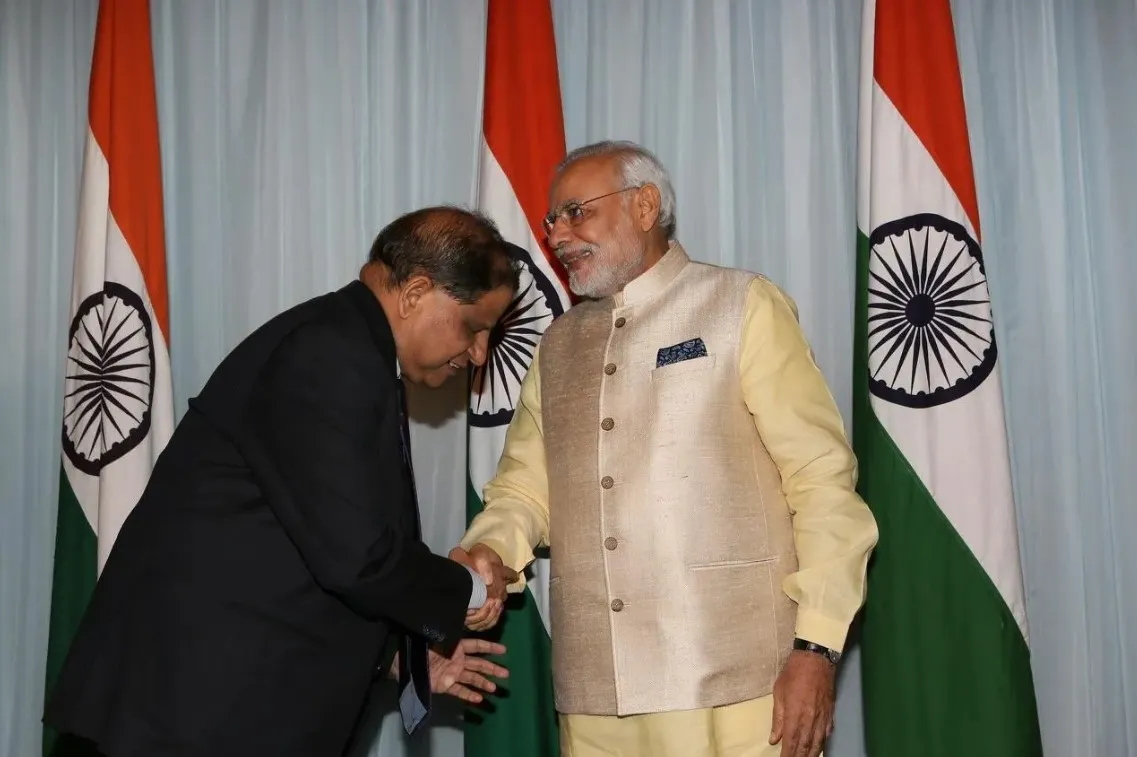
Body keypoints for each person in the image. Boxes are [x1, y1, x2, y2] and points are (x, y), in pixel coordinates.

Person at [451, 142, 880, 757]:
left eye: (576, 212)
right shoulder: (559, 344)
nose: (558, 236)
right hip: (593, 696)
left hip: (737, 687)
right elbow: (524, 487)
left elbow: (821, 482)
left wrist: (816, 646)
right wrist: (490, 551)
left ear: (645, 205)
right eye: (552, 222)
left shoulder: (741, 305)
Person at [45, 207, 521, 757]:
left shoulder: (346, 347)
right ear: (415, 293)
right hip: (181, 717)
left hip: (204, 711)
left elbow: (291, 557)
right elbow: (356, 557)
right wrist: (469, 589)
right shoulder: (331, 354)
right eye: (475, 327)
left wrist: (398, 658)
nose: (480, 352)